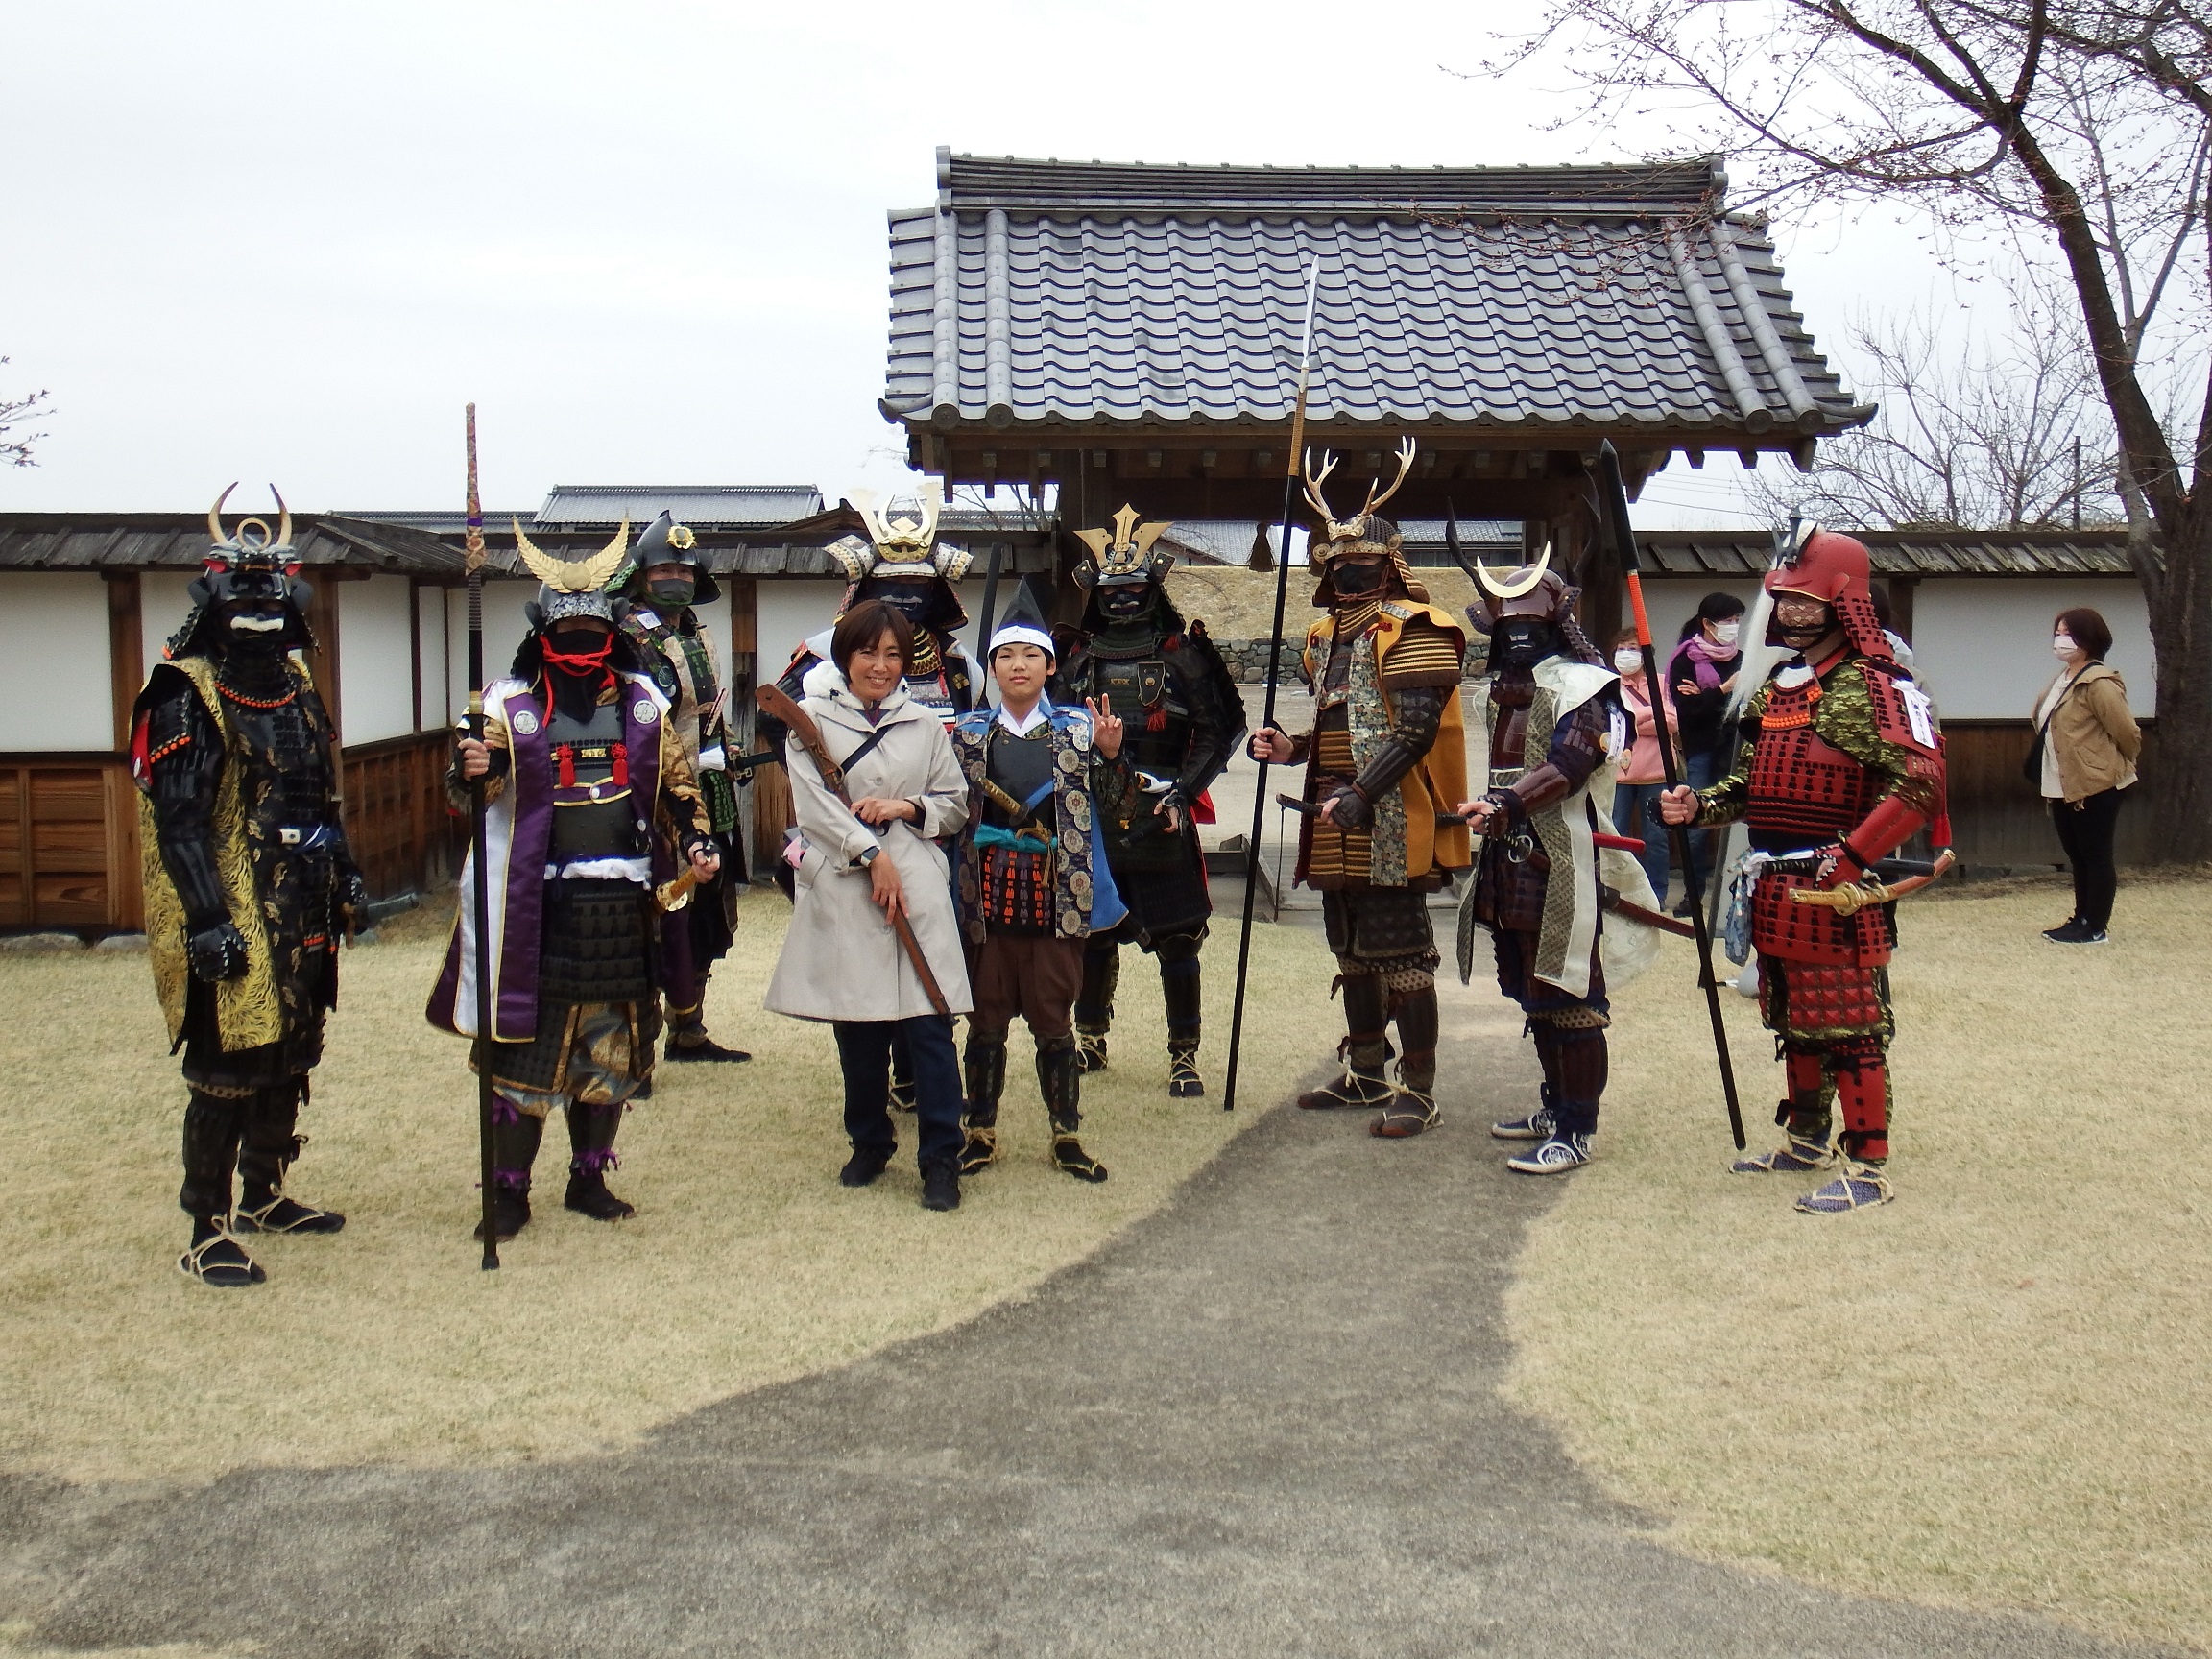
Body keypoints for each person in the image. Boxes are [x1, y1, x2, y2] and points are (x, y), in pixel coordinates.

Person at [427, 521, 719, 1244]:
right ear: (541, 635)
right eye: (570, 630)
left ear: (613, 632)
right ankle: (507, 1191)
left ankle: (589, 1176)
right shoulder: (507, 706)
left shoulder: (645, 703)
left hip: (623, 902)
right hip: (537, 903)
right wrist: (470, 770)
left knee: (611, 1047)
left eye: (595, 628)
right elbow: (474, 791)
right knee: (524, 1052)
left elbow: (676, 788)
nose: (584, 642)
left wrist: (698, 837)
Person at [1659, 526, 1946, 1214]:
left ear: (1844, 602)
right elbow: (1753, 786)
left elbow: (1920, 783)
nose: (1789, 611)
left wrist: (1849, 860)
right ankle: (1808, 1137)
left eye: (1805, 600)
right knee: (1794, 1017)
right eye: (1782, 598)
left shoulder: (1878, 684)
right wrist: (1697, 805)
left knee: (1849, 1024)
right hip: (1775, 877)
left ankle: (1869, 1165)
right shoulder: (1777, 685)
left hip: (1837, 885)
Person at [133, 487, 366, 1286]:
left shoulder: (299, 687)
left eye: (274, 590)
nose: (263, 607)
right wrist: (205, 917)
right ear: (214, 597)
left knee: (291, 1051)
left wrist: (347, 875)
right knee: (227, 1063)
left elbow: (318, 794)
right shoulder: (184, 694)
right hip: (232, 897)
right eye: (246, 590)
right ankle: (206, 1224)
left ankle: (266, 1191)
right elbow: (181, 822)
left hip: (301, 892)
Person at [1246, 442, 1471, 1138]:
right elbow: (1342, 721)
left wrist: (1364, 794)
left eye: (1363, 563)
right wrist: (1292, 750)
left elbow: (1412, 732)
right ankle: (1367, 1073)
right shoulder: (1320, 636)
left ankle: (1420, 1088)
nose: (1348, 573)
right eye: (1337, 563)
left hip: (1390, 813)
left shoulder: (1421, 629)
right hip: (1332, 809)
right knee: (1348, 946)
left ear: (1390, 564)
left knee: (1402, 952)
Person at [762, 482, 977, 1114]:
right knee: (858, 980)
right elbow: (783, 725)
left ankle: (921, 1082)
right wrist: (835, 795)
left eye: (916, 593)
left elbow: (967, 741)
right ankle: (871, 1111)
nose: (903, 606)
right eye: (889, 590)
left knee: (930, 965)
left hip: (928, 834)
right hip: (842, 832)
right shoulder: (820, 661)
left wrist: (923, 808)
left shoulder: (960, 665)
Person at [763, 600, 973, 1211]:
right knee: (858, 1028)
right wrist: (868, 854)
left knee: (931, 1025)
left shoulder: (926, 724)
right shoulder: (813, 722)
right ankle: (869, 1142)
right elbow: (813, 807)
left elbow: (954, 802)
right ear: (845, 657)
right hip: (850, 886)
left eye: (892, 654)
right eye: (866, 653)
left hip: (917, 883)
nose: (879, 666)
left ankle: (940, 1156)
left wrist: (907, 810)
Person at [1052, 506, 1245, 1096]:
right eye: (1113, 591)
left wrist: (1185, 792)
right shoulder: (1074, 656)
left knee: (1180, 935)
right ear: (1094, 593)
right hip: (1090, 810)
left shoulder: (1181, 654)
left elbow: (1220, 728)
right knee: (1091, 932)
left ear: (1153, 588)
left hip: (1163, 807)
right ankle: (1090, 1039)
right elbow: (1052, 728)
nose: (1124, 601)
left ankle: (1184, 1055)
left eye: (1135, 589)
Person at [950, 585, 1134, 1182]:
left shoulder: (1082, 731)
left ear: (1051, 666)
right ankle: (979, 1130)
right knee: (985, 1018)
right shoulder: (968, 735)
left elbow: (1117, 807)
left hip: (1059, 896)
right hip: (988, 896)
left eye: (1031, 655)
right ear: (993, 667)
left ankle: (1067, 1134)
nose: (1018, 666)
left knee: (1055, 1018)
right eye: (1006, 657)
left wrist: (1110, 757)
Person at [1455, 562, 1623, 1173]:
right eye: (1508, 627)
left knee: (1568, 991)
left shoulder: (1584, 687)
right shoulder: (1503, 690)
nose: (1518, 637)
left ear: (1555, 622)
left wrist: (1506, 801)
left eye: (1530, 624)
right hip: (1508, 854)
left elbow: (1572, 763)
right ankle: (1555, 1105)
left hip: (1561, 855)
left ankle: (1577, 1129)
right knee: (1534, 991)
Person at [616, 510, 751, 1063]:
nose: (676, 577)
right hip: (651, 797)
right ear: (642, 575)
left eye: (685, 569)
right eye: (665, 567)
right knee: (659, 913)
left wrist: (728, 749)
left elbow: (708, 711)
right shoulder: (625, 639)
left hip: (709, 786)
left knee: (707, 909)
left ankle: (689, 1028)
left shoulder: (698, 632)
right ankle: (638, 1038)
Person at [2032, 606, 2141, 944]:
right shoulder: (2063, 678)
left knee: (2095, 853)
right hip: (2063, 779)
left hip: (2096, 781)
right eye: (2058, 631)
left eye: (2068, 632)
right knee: (2077, 855)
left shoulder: (2099, 682)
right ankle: (2080, 917)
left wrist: (2109, 764)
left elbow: (2128, 733)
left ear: (2087, 638)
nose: (2060, 639)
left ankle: (2095, 925)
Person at [1667, 592, 1745, 908]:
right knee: (1696, 817)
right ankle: (1693, 892)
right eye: (1728, 621)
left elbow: (1744, 704)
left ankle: (1731, 894)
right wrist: (1723, 690)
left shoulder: (1741, 659)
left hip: (1733, 747)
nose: (1734, 627)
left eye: (1737, 621)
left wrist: (1706, 696)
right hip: (1700, 747)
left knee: (1737, 815)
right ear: (1707, 623)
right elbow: (1689, 710)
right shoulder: (1685, 659)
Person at [1609, 628, 1679, 907]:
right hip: (1618, 774)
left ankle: (1656, 896)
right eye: (1622, 648)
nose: (1627, 654)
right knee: (1616, 834)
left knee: (1656, 838)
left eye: (1633, 648)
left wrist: (1631, 720)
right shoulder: (1608, 684)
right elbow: (1609, 723)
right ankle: (1618, 893)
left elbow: (1671, 723)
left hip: (1657, 771)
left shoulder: (1662, 682)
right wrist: (1652, 714)